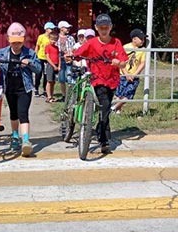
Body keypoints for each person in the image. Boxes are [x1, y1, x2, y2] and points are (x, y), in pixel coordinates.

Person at [0, 22, 42, 156]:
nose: (16, 45)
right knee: (14, 113)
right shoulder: (2, 53)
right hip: (9, 88)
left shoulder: (29, 53)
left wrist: (29, 63)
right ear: (8, 40)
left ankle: (25, 141)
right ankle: (14, 136)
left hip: (25, 88)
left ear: (23, 40)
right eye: (13, 42)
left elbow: (38, 68)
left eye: (19, 42)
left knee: (23, 113)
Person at [73, 14, 126, 154]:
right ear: (96, 28)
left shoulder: (116, 43)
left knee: (105, 109)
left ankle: (100, 131)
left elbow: (124, 61)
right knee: (104, 106)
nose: (104, 30)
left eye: (106, 27)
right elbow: (78, 53)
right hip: (97, 79)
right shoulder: (91, 43)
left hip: (112, 80)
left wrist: (119, 63)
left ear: (110, 27)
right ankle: (103, 140)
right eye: (101, 27)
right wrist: (70, 56)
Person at [113, 29, 147, 114]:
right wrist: (126, 74)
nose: (143, 41)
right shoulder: (125, 47)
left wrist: (135, 74)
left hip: (134, 77)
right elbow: (120, 62)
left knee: (128, 95)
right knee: (119, 95)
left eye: (143, 39)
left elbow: (142, 63)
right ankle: (117, 110)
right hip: (123, 75)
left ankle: (113, 107)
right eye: (141, 39)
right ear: (134, 39)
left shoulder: (142, 50)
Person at [34, 21, 55, 97]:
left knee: (46, 74)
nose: (52, 30)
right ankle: (36, 88)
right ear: (46, 29)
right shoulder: (41, 37)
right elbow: (37, 46)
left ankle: (45, 90)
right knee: (38, 73)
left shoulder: (51, 38)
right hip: (40, 57)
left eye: (53, 29)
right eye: (51, 29)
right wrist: (35, 55)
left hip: (47, 59)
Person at [56, 20, 76, 99]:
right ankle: (64, 95)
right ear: (61, 28)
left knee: (69, 77)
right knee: (61, 78)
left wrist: (70, 53)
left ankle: (70, 95)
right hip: (60, 60)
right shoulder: (56, 38)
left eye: (68, 28)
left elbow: (74, 48)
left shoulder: (70, 38)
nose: (68, 29)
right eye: (66, 28)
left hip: (68, 59)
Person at [44, 28, 60, 102]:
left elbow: (59, 57)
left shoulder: (57, 48)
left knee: (53, 82)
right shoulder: (47, 47)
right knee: (49, 81)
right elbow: (47, 58)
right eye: (52, 40)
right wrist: (54, 66)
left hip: (56, 65)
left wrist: (59, 66)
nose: (53, 41)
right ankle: (49, 96)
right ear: (49, 39)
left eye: (55, 40)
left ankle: (52, 95)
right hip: (50, 65)